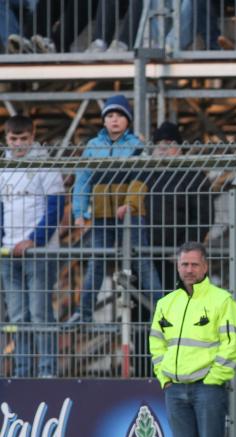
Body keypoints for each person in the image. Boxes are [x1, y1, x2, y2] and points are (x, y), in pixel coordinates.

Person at [149, 241, 236, 437]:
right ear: (178, 267)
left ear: (205, 266)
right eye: (184, 265)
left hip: (207, 389)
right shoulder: (166, 303)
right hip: (175, 390)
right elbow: (156, 343)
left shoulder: (222, 300)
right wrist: (164, 378)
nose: (188, 270)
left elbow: (234, 344)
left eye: (194, 264)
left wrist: (213, 379)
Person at [70, 94, 163, 324]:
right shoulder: (93, 147)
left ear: (127, 121)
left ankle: (163, 311)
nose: (114, 120)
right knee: (96, 263)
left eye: (119, 116)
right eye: (109, 115)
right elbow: (82, 180)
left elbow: (139, 180)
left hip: (131, 216)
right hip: (102, 216)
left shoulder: (136, 146)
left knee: (141, 260)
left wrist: (129, 204)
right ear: (103, 121)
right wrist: (79, 213)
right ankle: (84, 313)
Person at [0, 114, 64, 377]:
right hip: (7, 252)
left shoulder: (46, 166)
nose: (18, 144)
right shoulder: (3, 168)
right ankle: (23, 371)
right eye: (13, 139)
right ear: (6, 138)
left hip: (39, 253)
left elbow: (55, 208)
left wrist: (34, 240)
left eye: (23, 139)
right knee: (17, 318)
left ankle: (47, 371)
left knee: (40, 315)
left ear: (33, 136)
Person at [128, 121, 212, 291]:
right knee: (143, 309)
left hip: (177, 257)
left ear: (179, 148)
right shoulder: (144, 173)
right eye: (158, 144)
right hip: (144, 253)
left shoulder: (193, 176)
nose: (162, 148)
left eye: (169, 144)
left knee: (178, 306)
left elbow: (203, 217)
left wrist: (185, 250)